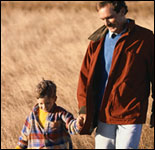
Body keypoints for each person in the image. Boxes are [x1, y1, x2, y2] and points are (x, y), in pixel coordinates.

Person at [77, 1, 154, 149]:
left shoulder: (145, 38)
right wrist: (84, 109)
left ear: (123, 11)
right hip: (102, 112)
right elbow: (85, 77)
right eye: (102, 19)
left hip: (130, 112)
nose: (106, 23)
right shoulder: (97, 41)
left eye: (110, 17)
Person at [16, 79, 84, 149]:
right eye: (41, 103)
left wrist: (78, 124)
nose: (44, 107)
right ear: (37, 100)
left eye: (48, 103)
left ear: (54, 99)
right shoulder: (32, 116)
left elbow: (71, 124)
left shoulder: (60, 114)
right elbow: (24, 138)